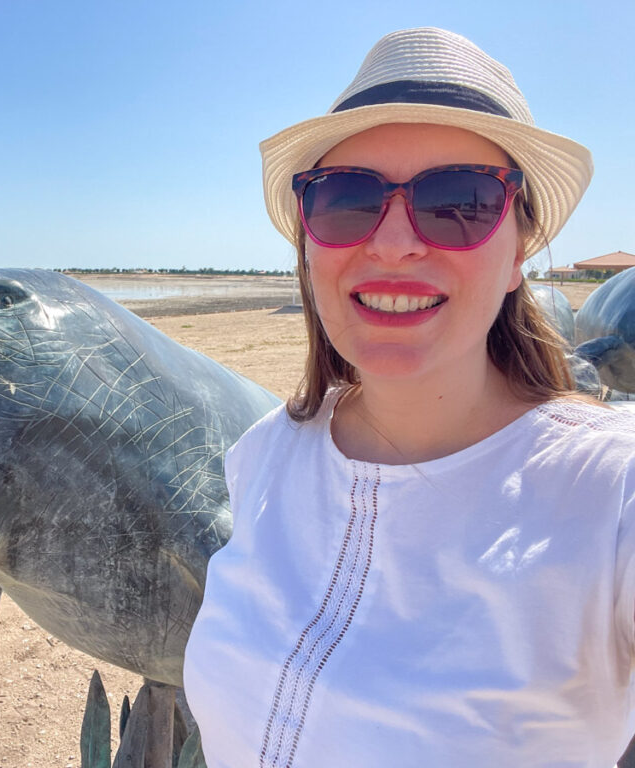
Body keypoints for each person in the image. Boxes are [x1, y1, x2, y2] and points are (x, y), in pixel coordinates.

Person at [182, 27, 635, 767]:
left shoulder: (607, 493)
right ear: (308, 237)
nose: (392, 245)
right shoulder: (264, 454)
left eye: (460, 201)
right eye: (347, 199)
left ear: (517, 251)